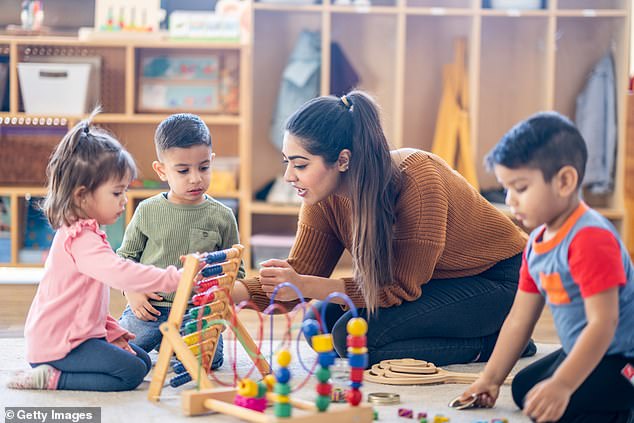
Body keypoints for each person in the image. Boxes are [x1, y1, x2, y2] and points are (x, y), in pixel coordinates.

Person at [232, 90, 534, 366]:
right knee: (320, 325)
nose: (288, 176)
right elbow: (298, 275)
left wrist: (307, 285)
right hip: (436, 281)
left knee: (356, 342)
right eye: (287, 162)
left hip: (501, 280)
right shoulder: (322, 196)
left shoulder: (417, 180)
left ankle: (497, 343)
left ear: (343, 160)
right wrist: (232, 293)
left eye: (300, 165)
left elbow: (398, 287)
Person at [460, 112, 634, 422]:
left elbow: (602, 324)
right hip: (585, 349)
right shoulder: (538, 241)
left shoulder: (590, 238)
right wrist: (490, 378)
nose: (511, 200)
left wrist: (563, 384)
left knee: (561, 404)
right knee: (526, 391)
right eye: (507, 188)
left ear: (564, 181)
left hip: (622, 358)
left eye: (521, 188)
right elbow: (518, 319)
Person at [7, 109, 184, 391]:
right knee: (130, 374)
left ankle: (61, 369)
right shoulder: (80, 239)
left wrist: (110, 332)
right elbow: (120, 274)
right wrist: (175, 278)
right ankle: (52, 377)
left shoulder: (86, 231)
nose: (124, 201)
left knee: (140, 360)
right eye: (116, 193)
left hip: (76, 335)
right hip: (59, 344)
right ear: (82, 195)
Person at [117, 113, 244, 370]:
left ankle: (172, 345)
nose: (195, 178)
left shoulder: (223, 216)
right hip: (149, 309)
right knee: (119, 353)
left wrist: (217, 301)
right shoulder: (147, 210)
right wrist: (132, 291)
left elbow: (236, 271)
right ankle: (165, 342)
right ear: (161, 170)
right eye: (183, 170)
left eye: (204, 167)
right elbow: (124, 259)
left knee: (208, 362)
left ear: (212, 162)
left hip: (196, 314)